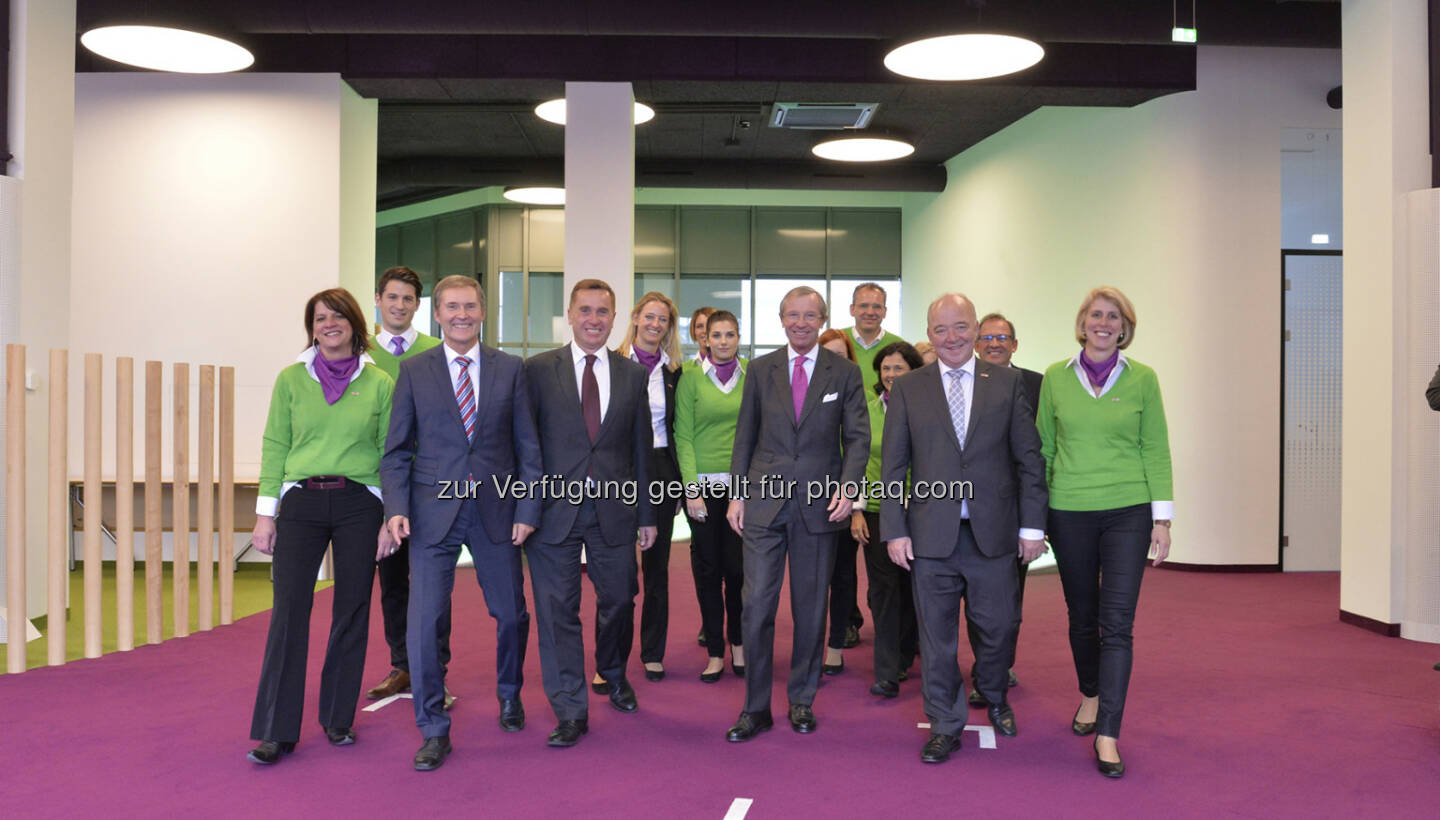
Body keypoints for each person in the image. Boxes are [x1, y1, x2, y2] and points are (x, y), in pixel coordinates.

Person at [380, 275, 542, 771]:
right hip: (432, 513)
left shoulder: (510, 369)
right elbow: (395, 451)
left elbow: (528, 448)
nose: (461, 315)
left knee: (511, 614)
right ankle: (431, 726)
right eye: (451, 307)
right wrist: (395, 508)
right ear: (437, 314)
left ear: (483, 311)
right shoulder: (414, 371)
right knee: (424, 623)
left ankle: (509, 694)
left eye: (469, 306)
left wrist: (528, 509)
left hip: (495, 510)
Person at [881, 293, 1047, 765]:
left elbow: (1028, 461)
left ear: (975, 329)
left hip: (993, 534)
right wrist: (895, 528)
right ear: (929, 334)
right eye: (940, 329)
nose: (950, 337)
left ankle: (993, 693)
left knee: (997, 630)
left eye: (960, 327)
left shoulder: (1008, 383)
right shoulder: (910, 387)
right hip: (930, 536)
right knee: (937, 640)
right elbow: (894, 467)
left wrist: (1033, 525)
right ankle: (945, 723)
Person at [247, 288, 393, 765]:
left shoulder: (379, 384)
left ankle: (337, 718)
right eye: (320, 318)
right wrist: (265, 514)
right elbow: (275, 444)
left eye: (337, 316)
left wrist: (389, 518)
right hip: (301, 502)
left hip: (359, 503)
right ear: (311, 327)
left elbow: (392, 452)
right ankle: (276, 729)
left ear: (355, 323)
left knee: (351, 610)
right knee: (289, 612)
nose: (329, 324)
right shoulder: (291, 380)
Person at [1036, 285, 1173, 779]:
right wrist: (1036, 518)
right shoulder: (1055, 377)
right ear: (1083, 322)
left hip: (1128, 513)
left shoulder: (1143, 380)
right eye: (1096, 314)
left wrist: (1162, 518)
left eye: (1113, 316)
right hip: (1069, 509)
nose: (1104, 322)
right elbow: (1044, 451)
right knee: (1081, 616)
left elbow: (1154, 447)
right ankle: (1090, 694)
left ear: (1124, 327)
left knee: (1117, 624)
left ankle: (1109, 732)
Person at [724, 287, 869, 742]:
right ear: (781, 318)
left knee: (810, 610)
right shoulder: (762, 369)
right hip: (763, 504)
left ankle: (802, 700)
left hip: (820, 506)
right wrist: (737, 494)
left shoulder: (844, 372)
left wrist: (849, 487)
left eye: (810, 316)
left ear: (823, 319)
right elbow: (744, 435)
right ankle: (755, 708)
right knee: (756, 605)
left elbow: (858, 438)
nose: (801, 323)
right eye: (793, 315)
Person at [525, 279, 658, 748]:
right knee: (557, 610)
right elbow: (526, 446)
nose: (594, 319)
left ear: (616, 317)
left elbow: (643, 449)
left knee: (621, 598)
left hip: (615, 512)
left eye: (603, 311)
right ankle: (570, 709)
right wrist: (524, 507)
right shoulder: (538, 370)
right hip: (552, 512)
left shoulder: (632, 375)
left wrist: (647, 515)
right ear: (570, 313)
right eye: (585, 310)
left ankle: (613, 673)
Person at [364, 266, 449, 707]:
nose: (399, 305)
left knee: (435, 581)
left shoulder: (440, 350)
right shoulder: (360, 355)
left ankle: (436, 669)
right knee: (393, 580)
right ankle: (402, 664)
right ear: (377, 299)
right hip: (385, 486)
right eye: (391, 297)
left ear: (420, 306)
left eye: (408, 299)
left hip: (434, 485)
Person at [965, 312, 1045, 704]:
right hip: (965, 511)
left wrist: (1035, 518)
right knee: (974, 597)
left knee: (1009, 598)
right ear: (976, 343)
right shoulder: (961, 382)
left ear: (1015, 344)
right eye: (987, 337)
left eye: (1002, 337)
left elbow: (1039, 451)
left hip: (1015, 511)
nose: (994, 343)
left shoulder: (1035, 385)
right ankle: (985, 665)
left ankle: (997, 667)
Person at [610, 292, 684, 683]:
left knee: (656, 569)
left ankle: (653, 651)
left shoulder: (675, 373)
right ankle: (612, 655)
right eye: (649, 317)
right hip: (621, 471)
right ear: (636, 318)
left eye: (663, 320)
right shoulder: (613, 365)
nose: (655, 325)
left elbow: (676, 430)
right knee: (619, 573)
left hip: (660, 470)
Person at [674, 310, 747, 682]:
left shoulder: (752, 376)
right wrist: (691, 490)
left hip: (740, 489)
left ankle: (739, 644)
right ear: (705, 340)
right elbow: (683, 437)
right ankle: (715, 651)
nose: (722, 341)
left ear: (738, 337)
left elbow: (755, 434)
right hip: (701, 488)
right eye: (715, 335)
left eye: (729, 334)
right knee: (708, 570)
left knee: (737, 571)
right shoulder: (690, 380)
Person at [853, 340, 922, 698]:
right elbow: (857, 461)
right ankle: (887, 670)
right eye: (887, 368)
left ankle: (907, 653)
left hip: (922, 512)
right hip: (879, 511)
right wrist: (857, 510)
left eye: (900, 368)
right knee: (883, 592)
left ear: (914, 371)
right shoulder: (867, 409)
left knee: (915, 590)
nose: (892, 374)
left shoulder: (927, 407)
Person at [818, 328, 863, 673]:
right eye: (827, 354)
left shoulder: (854, 389)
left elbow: (858, 446)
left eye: (841, 354)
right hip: (809, 494)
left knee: (843, 572)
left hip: (845, 494)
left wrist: (853, 498)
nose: (835, 361)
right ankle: (814, 638)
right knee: (815, 575)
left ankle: (838, 638)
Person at [841, 282, 905, 397]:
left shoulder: (899, 345)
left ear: (885, 311)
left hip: (888, 414)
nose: (870, 312)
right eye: (863, 306)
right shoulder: (838, 341)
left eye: (877, 307)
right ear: (852, 309)